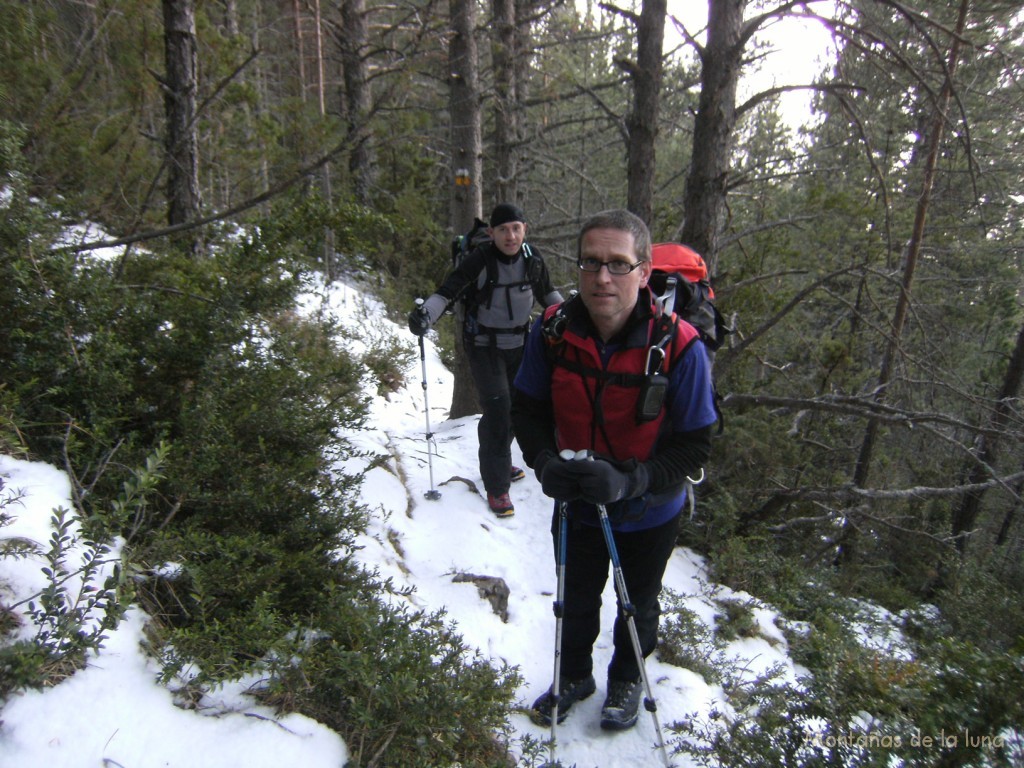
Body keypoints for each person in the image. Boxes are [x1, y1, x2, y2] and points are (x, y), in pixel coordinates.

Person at [510, 209, 717, 731]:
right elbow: (527, 408)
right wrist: (542, 462)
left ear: (645, 272)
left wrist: (632, 480)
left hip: (650, 510)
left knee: (638, 605)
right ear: (578, 268)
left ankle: (625, 680)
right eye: (591, 262)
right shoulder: (552, 332)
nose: (603, 277)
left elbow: (696, 445)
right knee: (574, 598)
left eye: (619, 265)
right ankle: (575, 676)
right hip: (575, 502)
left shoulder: (681, 347)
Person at [408, 203, 563, 517]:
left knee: (516, 409)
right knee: (498, 408)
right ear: (491, 233)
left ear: (524, 230)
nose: (510, 235)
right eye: (503, 229)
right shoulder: (479, 260)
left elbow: (548, 295)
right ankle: (497, 487)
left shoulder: (533, 261)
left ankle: (500, 462)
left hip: (521, 345)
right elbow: (447, 293)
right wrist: (426, 316)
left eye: (516, 228)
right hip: (483, 346)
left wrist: (571, 319)